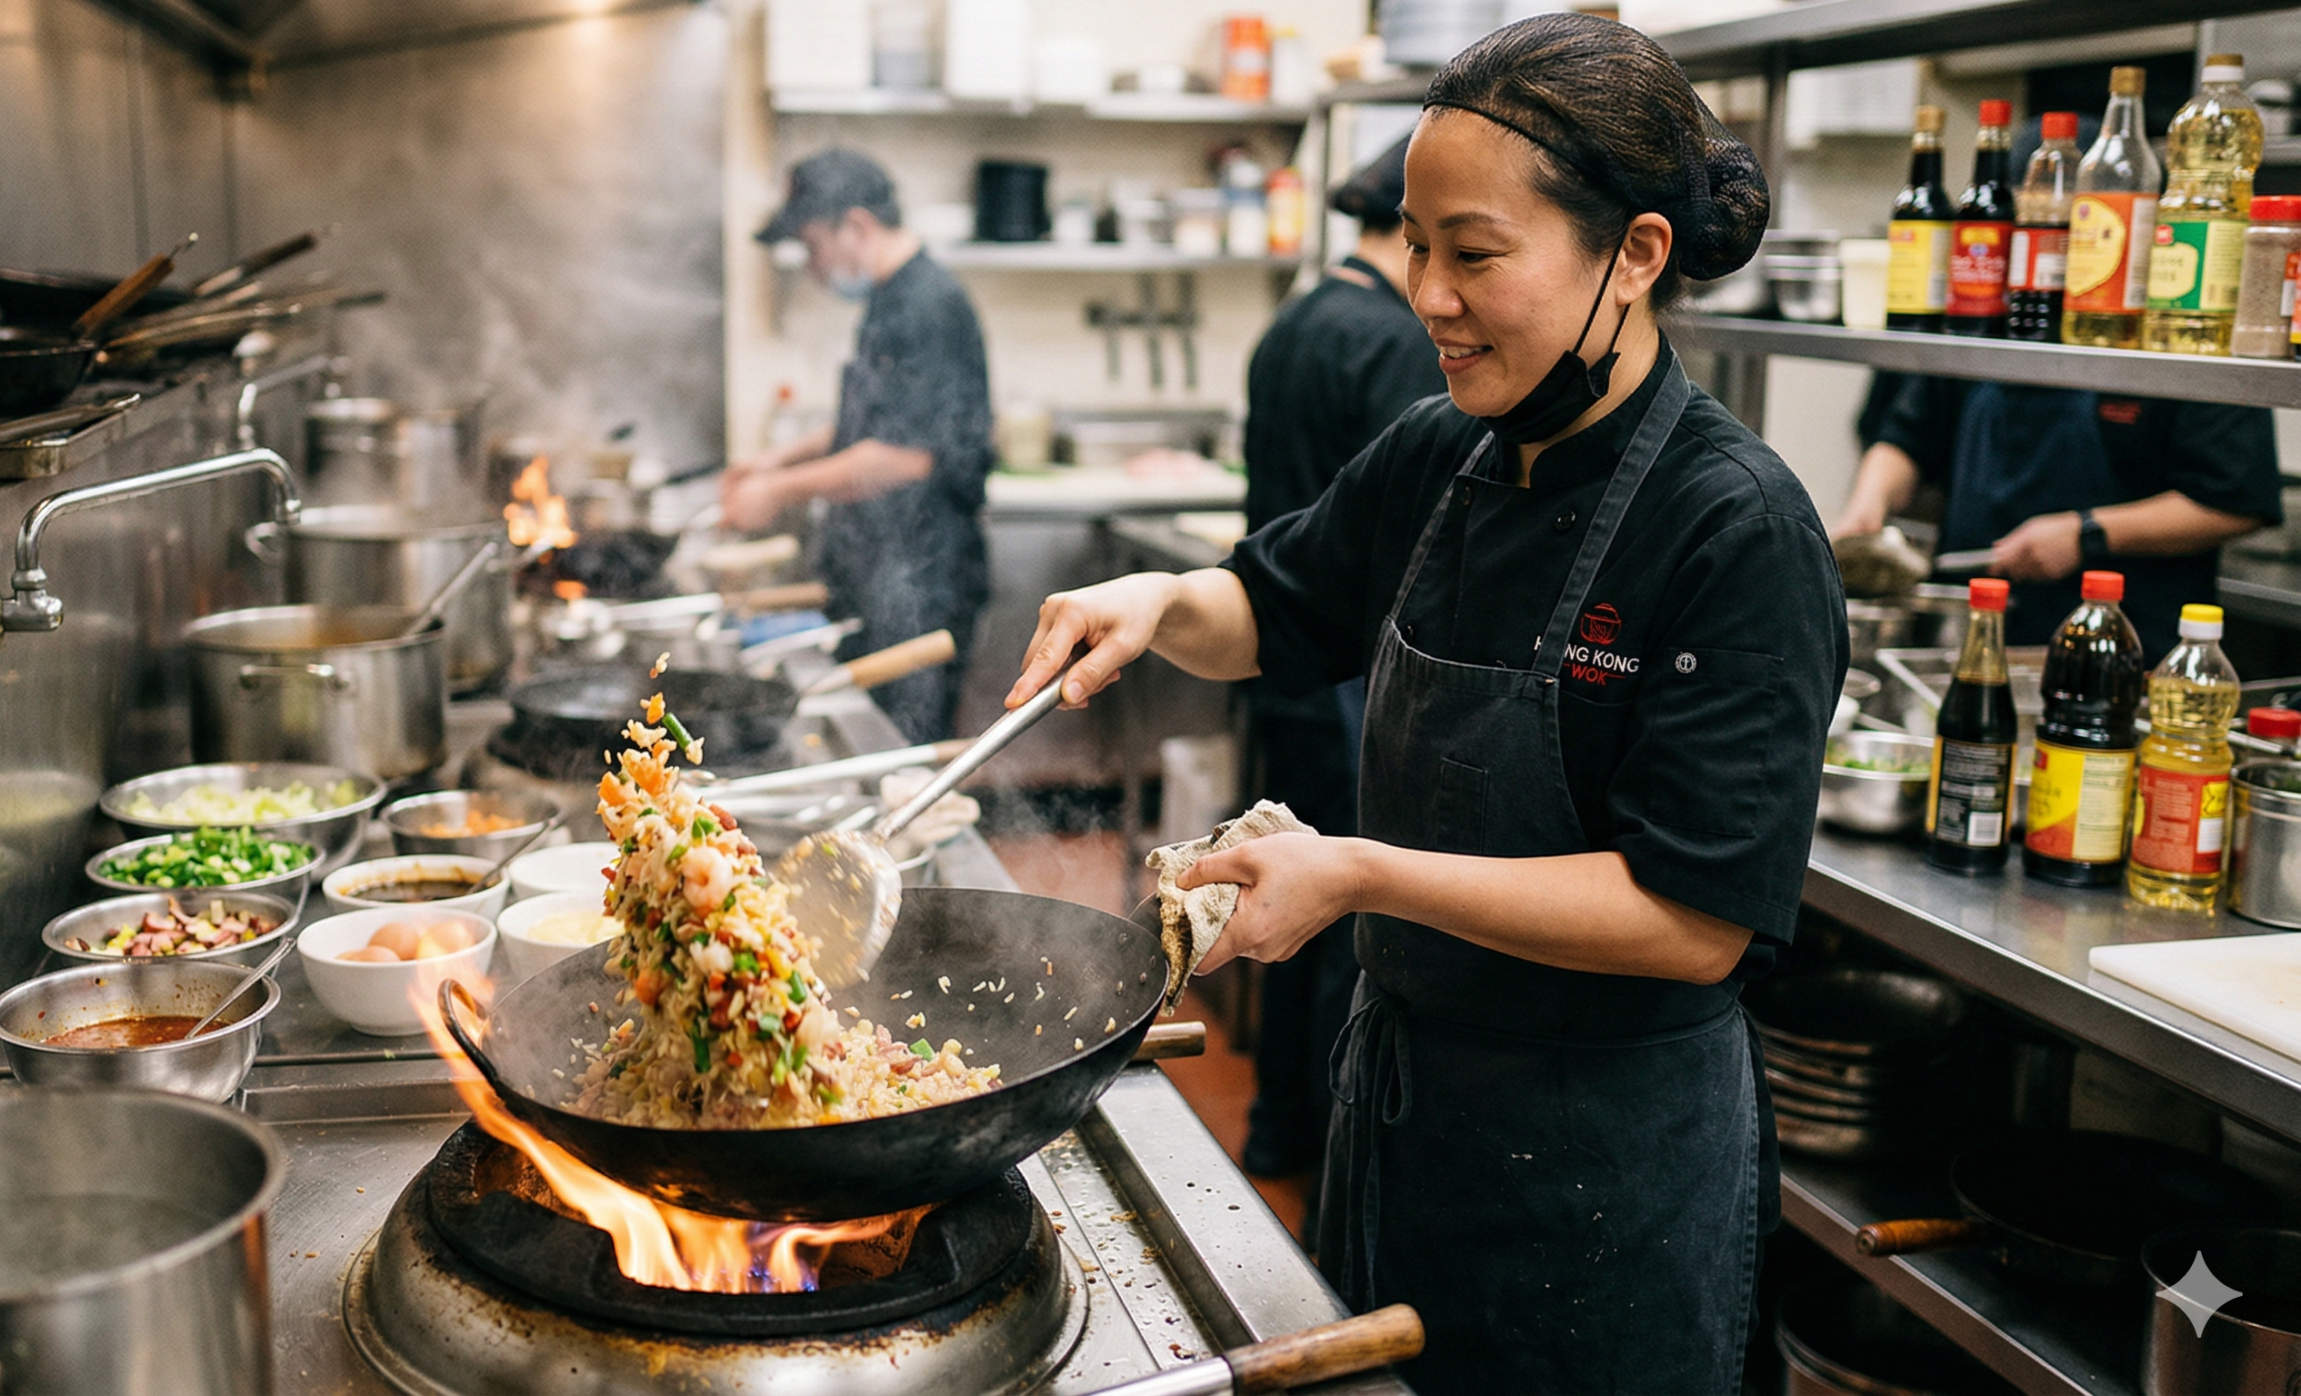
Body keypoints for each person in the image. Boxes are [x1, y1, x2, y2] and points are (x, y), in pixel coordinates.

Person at [1005, 16, 1843, 1391]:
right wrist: (1160, 598)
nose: (1427, 295)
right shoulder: (1446, 453)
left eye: (1475, 253)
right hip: (1410, 1114)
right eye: (1415, 244)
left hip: (1605, 1173)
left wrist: (1359, 876)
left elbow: (1693, 922)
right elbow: (1270, 613)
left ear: (1633, 256)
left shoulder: (1732, 526)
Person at [1233, 132, 1442, 1184]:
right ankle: (1318, 1145)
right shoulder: (1395, 348)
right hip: (1355, 674)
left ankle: (1276, 1122)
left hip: (1285, 656)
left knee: (1287, 902)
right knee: (1329, 912)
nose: (1440, 294)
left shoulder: (1298, 319)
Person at [727, 149, 995, 741]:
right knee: (866, 740)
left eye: (813, 245)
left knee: (897, 753)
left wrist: (777, 490)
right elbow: (873, 425)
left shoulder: (928, 304)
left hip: (922, 584)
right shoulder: (889, 298)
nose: (813, 266)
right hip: (882, 575)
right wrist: (774, 459)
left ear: (857, 226)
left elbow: (906, 455)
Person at [1832, 376, 2280, 646]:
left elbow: (2234, 500)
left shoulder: (2175, 318)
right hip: (1969, 635)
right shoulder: (1992, 301)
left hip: (2124, 649)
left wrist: (2086, 531)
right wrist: (1867, 506)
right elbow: (1907, 438)